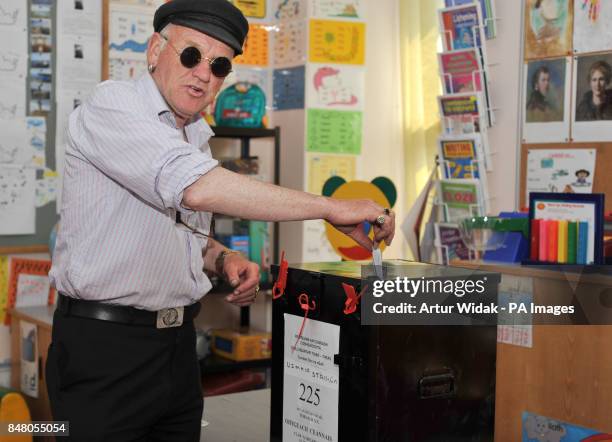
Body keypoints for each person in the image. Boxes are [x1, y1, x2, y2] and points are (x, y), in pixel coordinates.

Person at [46, 0, 395, 440]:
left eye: (219, 64)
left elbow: (180, 225)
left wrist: (222, 257)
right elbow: (194, 188)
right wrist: (329, 206)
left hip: (175, 350)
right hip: (103, 350)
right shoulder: (111, 106)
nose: (202, 73)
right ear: (155, 50)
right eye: (191, 54)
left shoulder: (194, 135)